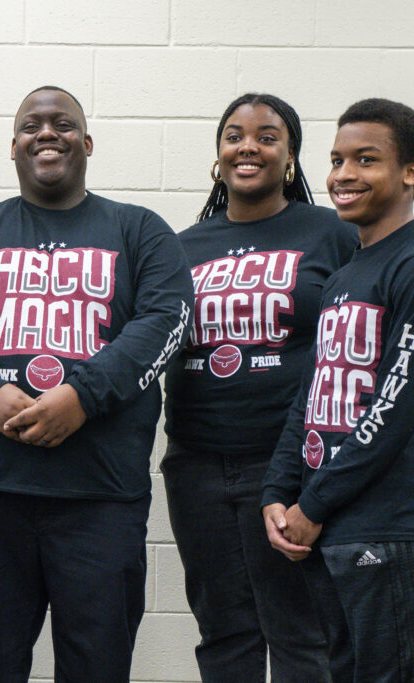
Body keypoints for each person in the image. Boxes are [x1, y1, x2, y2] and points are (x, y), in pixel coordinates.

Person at [0, 86, 194, 682]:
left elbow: (165, 319)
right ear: (12, 147)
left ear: (86, 143)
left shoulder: (140, 230)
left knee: (97, 668)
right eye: (31, 125)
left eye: (62, 124)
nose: (46, 133)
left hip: (100, 496)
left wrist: (82, 397)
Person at [262, 98, 414, 682]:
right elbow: (312, 393)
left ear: (411, 172)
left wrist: (312, 505)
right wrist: (278, 490)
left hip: (384, 518)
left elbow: (395, 408)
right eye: (336, 160)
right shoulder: (347, 272)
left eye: (366, 160)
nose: (343, 175)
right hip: (329, 520)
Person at [161, 93, 357, 681]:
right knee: (223, 633)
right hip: (196, 465)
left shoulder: (331, 233)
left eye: (267, 137)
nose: (248, 146)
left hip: (290, 464)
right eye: (234, 136)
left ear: (290, 157)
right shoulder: (182, 246)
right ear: (218, 156)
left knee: (302, 634)